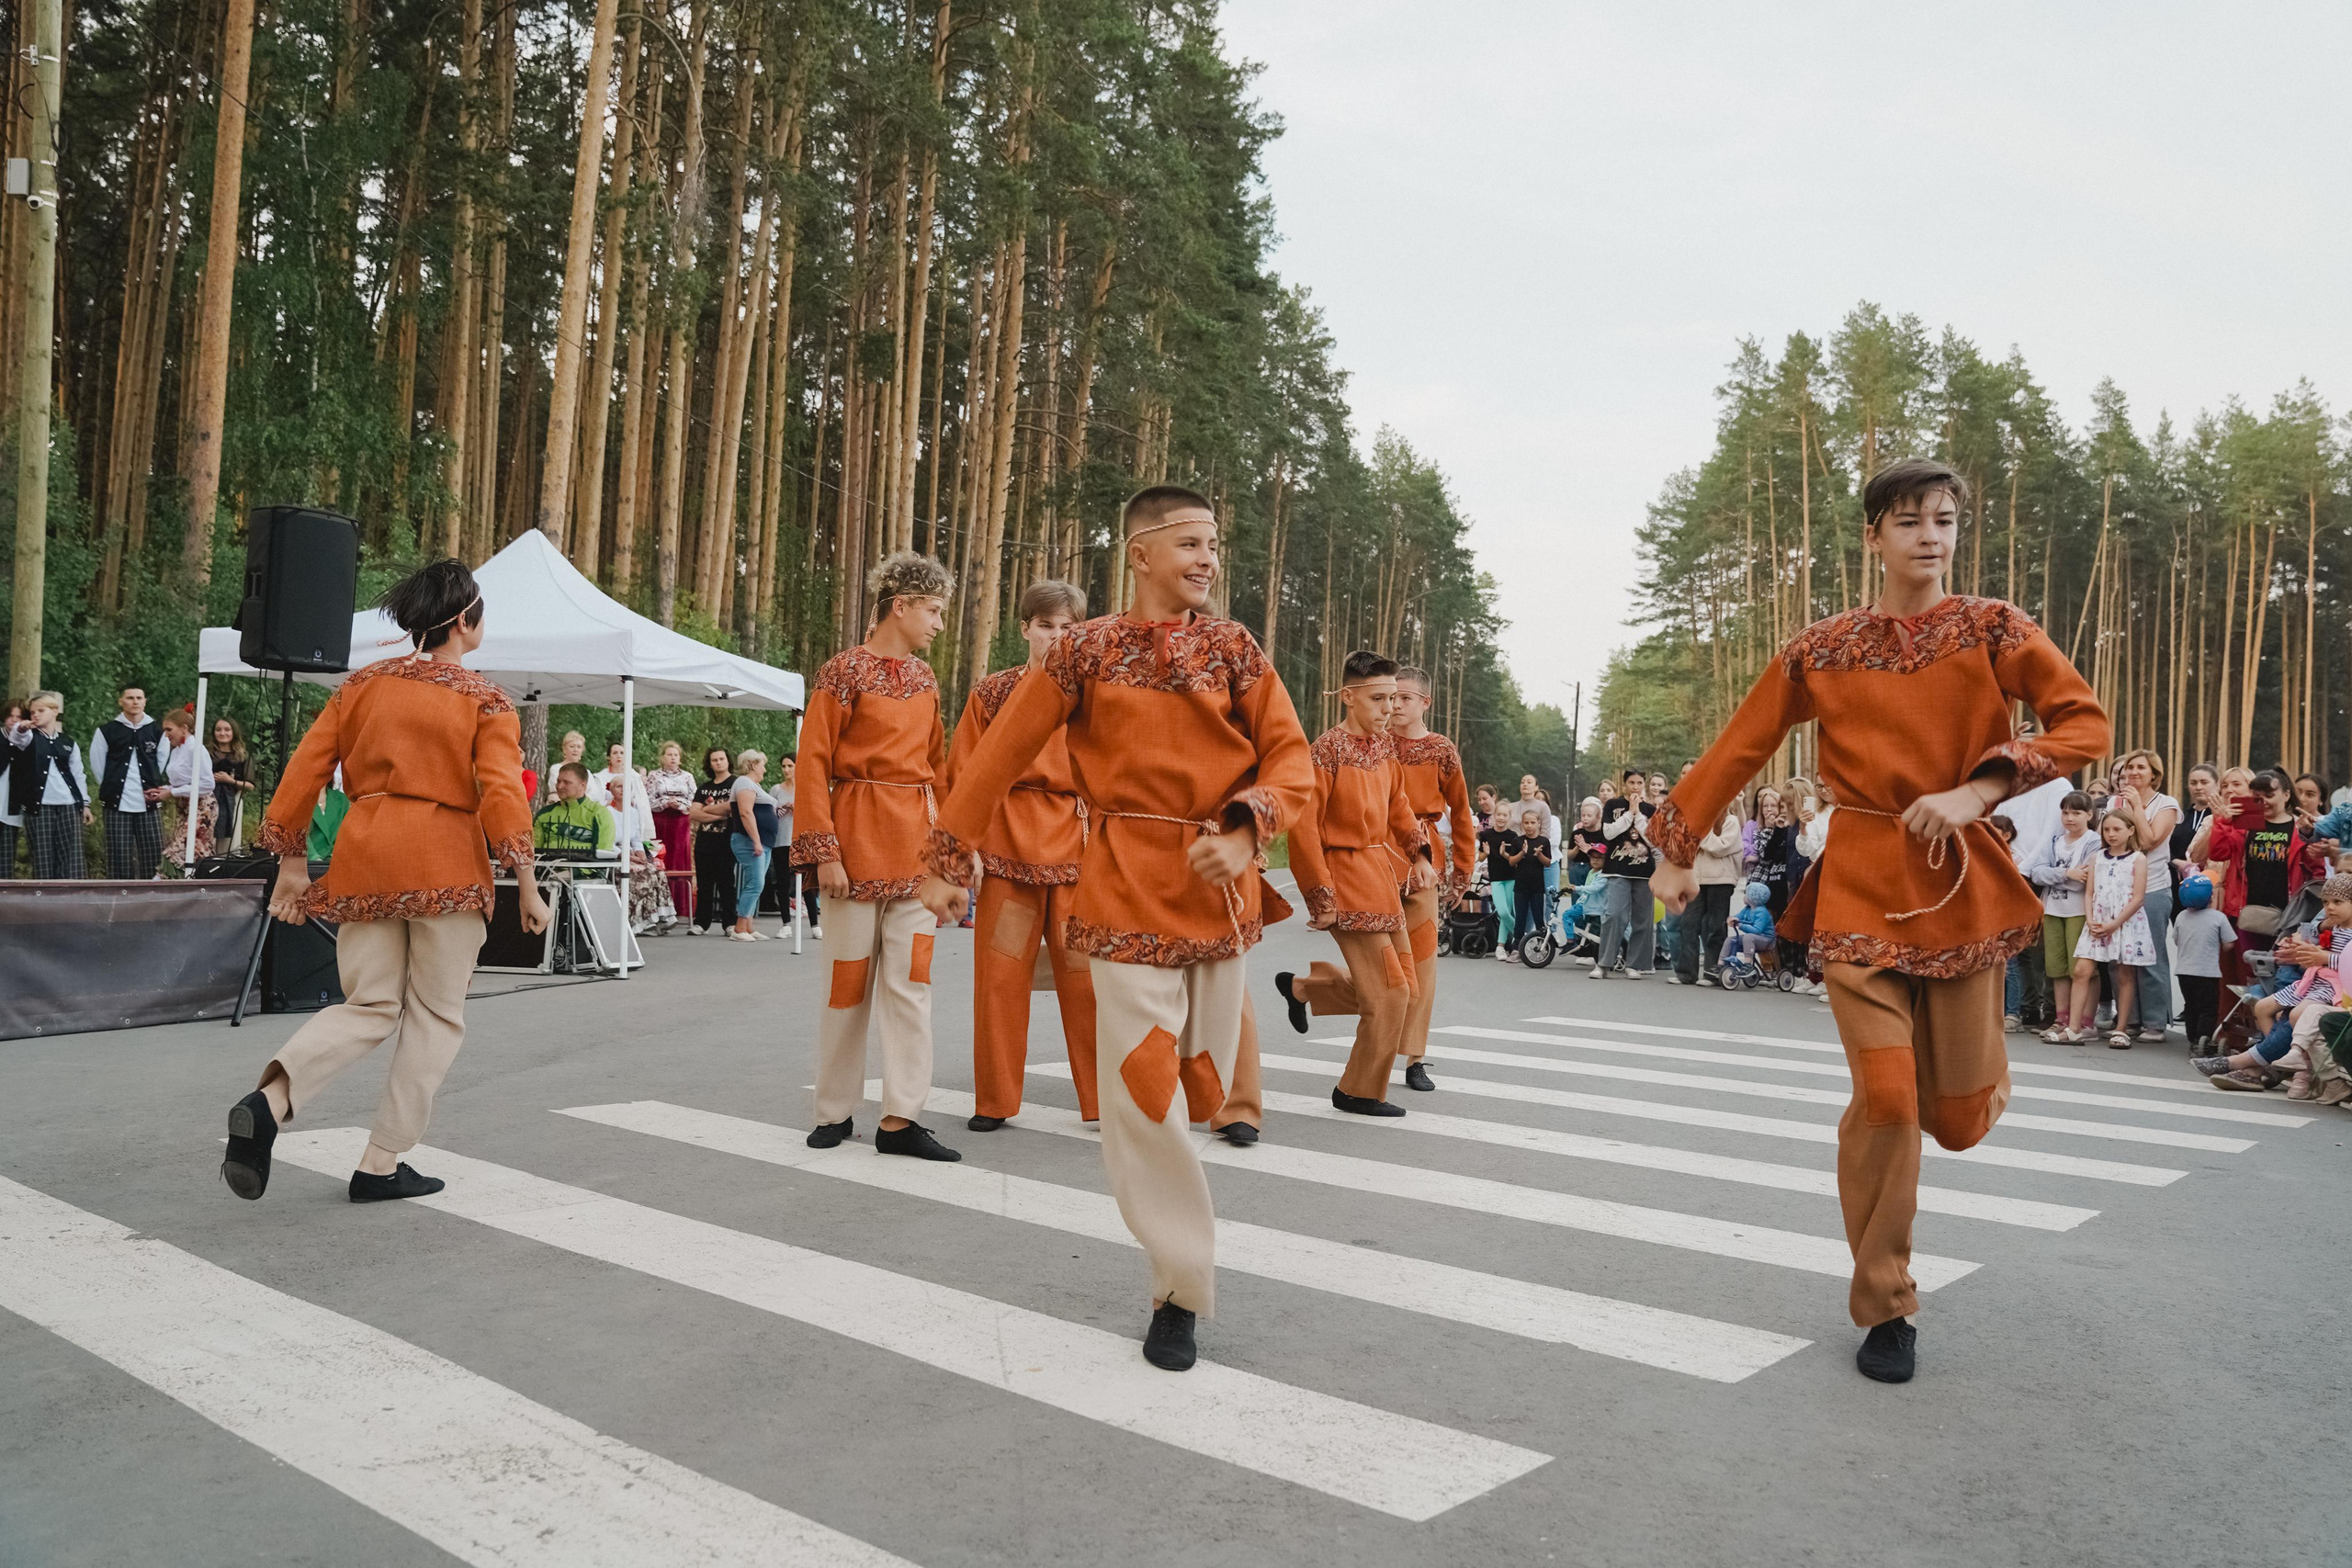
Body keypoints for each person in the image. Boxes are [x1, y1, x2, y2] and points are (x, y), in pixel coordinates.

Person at [1649, 457, 2108, 1384]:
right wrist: (1675, 845)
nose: (1929, 535)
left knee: (1957, 1120)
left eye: (1943, 519)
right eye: (1907, 521)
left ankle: (1971, 1083)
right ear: (1872, 537)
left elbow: (2083, 723)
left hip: (1962, 884)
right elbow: (1741, 743)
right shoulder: (1819, 649)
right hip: (1857, 883)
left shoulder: (1993, 628)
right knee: (1889, 1101)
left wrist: (1981, 788)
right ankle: (1885, 1303)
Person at [916, 483, 1315, 1373]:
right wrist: (949, 859)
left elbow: (1291, 757)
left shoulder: (1234, 648)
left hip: (1217, 895)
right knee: (1143, 1094)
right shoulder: (1085, 651)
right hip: (1123, 887)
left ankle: (1219, 1124)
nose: (1207, 559)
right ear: (1139, 553)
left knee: (1207, 1084)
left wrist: (1248, 825)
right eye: (1188, 543)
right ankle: (1178, 1289)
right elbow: (998, 755)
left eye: (1213, 543)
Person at [219, 557, 548, 1206]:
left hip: (365, 859)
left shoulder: (358, 686)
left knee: (367, 1006)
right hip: (445, 867)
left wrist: (290, 865)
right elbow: (503, 793)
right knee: (433, 1017)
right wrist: (527, 880)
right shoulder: (485, 698)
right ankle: (379, 1162)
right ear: (464, 622)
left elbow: (303, 773)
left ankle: (271, 1098)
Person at [792, 551, 959, 1162]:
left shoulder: (926, 681)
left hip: (916, 853)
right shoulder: (842, 672)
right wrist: (823, 850)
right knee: (846, 984)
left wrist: (948, 859)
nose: (940, 623)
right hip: (855, 845)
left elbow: (938, 772)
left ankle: (900, 1118)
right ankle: (834, 1111)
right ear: (902, 606)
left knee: (912, 983)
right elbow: (812, 762)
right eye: (934, 610)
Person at [948, 579, 1102, 1133]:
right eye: (1046, 626)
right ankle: (994, 1100)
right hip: (1007, 847)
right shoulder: (992, 693)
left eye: (1068, 628)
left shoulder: (1095, 697)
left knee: (1086, 980)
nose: (1057, 638)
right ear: (1025, 629)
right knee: (1001, 978)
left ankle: (1102, 1100)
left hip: (1079, 854)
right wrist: (965, 847)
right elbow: (963, 774)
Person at [1276, 649, 1434, 1117]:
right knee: (1391, 993)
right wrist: (1320, 896)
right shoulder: (1324, 752)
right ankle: (1358, 1091)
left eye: (1394, 698)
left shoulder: (1384, 748)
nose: (1389, 709)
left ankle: (1305, 989)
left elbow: (1399, 806)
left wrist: (1420, 853)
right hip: (1344, 882)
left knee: (1405, 988)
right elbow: (1302, 828)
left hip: (1381, 878)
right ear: (1349, 697)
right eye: (1379, 698)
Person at [1388, 663, 1476, 1089]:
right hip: (1375, 859)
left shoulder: (1442, 750)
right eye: (1392, 696)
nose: (1396, 704)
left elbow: (1462, 815)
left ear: (1425, 702)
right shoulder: (1374, 743)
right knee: (1380, 965)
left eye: (1405, 697)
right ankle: (1310, 990)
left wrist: (1462, 874)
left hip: (1425, 866)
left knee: (1422, 965)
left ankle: (1414, 1059)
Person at [2195, 875, 2352, 1098]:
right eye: (2326, 903)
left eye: (2337, 902)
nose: (2329, 908)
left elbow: (2346, 960)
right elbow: (2309, 934)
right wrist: (2306, 941)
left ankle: (2257, 1063)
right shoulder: (2332, 926)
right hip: (2310, 980)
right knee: (2262, 1007)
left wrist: (2322, 957)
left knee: (2298, 1014)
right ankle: (2274, 1062)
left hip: (2333, 987)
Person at [2066, 809, 2154, 1048]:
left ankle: (2121, 1028)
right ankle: (2074, 1028)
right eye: (2107, 829)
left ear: (2130, 831)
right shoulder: (2097, 858)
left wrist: (2115, 924)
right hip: (2097, 921)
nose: (2111, 834)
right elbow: (2089, 892)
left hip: (2124, 922)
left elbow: (2138, 898)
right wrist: (2091, 919)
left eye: (2117, 829)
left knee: (2124, 974)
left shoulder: (2138, 859)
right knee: (2082, 970)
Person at [2109, 750, 2179, 1042]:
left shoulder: (2167, 804)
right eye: (2129, 767)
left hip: (2152, 888)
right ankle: (2130, 1019)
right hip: (2116, 889)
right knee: (2118, 957)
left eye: (2141, 767)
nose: (2133, 772)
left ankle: (2154, 1021)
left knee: (2149, 956)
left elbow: (2149, 840)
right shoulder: (2115, 802)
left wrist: (2137, 805)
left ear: (2155, 774)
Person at [2023, 791, 2097, 1043]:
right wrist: (2067, 873)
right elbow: (2037, 873)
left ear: (2089, 814)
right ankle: (2061, 1018)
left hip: (2080, 911)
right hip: (2053, 910)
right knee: (2055, 968)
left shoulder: (2093, 842)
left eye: (2076, 813)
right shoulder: (2054, 840)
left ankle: (2085, 1020)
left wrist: (2059, 875)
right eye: (2065, 812)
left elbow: (2084, 880)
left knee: (2081, 969)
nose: (2070, 818)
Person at [6, 691, 91, 877]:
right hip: (39, 806)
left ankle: (72, 901)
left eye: (41, 710)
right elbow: (16, 738)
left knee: (71, 858)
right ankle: (45, 903)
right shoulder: (29, 737)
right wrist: (22, 727)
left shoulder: (68, 742)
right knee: (43, 858)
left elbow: (78, 775)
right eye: (33, 712)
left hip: (68, 805)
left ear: (54, 711)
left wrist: (85, 804)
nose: (36, 715)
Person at [89, 684, 170, 880]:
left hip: (148, 803)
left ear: (145, 701)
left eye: (139, 698)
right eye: (130, 698)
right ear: (121, 701)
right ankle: (119, 901)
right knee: (118, 857)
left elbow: (161, 762)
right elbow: (98, 765)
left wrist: (150, 783)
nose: (135, 702)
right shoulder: (106, 731)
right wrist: (113, 785)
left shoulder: (158, 731)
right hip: (117, 803)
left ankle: (152, 898)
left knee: (153, 855)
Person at [1595, 769, 1655, 977]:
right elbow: (1609, 833)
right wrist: (1629, 812)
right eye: (1631, 782)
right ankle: (1604, 963)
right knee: (1614, 915)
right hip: (1617, 869)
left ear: (1644, 785)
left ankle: (1635, 964)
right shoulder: (1612, 805)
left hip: (1645, 871)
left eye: (1639, 782)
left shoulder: (1651, 809)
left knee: (1642, 919)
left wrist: (1638, 814)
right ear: (1625, 784)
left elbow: (1652, 839)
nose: (1635, 787)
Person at [1680, 801, 1744, 985]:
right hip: (1697, 879)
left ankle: (1713, 973)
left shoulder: (1730, 821)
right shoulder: (1694, 821)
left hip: (1721, 879)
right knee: (1688, 923)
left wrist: (1701, 833)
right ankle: (1686, 973)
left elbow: (1720, 848)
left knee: (1715, 926)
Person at [2171, 874, 2230, 1048]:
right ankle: (2203, 1039)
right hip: (2207, 972)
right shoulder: (2219, 918)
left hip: (2184, 971)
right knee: (2208, 1008)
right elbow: (2229, 945)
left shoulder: (2181, 916)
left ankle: (2192, 1039)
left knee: (2190, 1006)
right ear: (2211, 896)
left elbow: (2176, 939)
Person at [646, 740, 699, 925]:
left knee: (678, 858)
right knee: (661, 858)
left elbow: (695, 801)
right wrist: (664, 803)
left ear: (680, 758)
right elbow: (648, 800)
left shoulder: (687, 777)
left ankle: (680, 905)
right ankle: (660, 905)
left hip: (680, 820)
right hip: (660, 819)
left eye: (676, 755)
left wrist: (680, 805)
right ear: (663, 757)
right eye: (669, 754)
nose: (673, 758)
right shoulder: (654, 775)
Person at [727, 750, 778, 941]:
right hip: (750, 841)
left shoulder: (754, 785)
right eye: (762, 764)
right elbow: (746, 813)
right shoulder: (744, 783)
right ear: (754, 764)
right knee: (755, 883)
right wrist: (756, 840)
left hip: (763, 841)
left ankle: (748, 926)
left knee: (756, 883)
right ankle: (739, 928)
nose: (764, 769)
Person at [158, 706, 215, 870]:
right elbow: (182, 781)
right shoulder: (177, 751)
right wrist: (163, 789)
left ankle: (163, 880)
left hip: (202, 807)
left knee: (181, 848)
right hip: (185, 807)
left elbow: (207, 784)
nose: (166, 734)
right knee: (190, 851)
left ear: (184, 728)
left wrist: (172, 792)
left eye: (169, 730)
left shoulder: (195, 749)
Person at [689, 746, 739, 934]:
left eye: (721, 759)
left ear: (728, 761)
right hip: (704, 843)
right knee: (704, 884)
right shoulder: (705, 787)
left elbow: (732, 807)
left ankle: (729, 923)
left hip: (727, 841)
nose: (718, 762)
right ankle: (702, 923)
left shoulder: (735, 784)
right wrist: (719, 815)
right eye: (714, 760)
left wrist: (707, 810)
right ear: (709, 763)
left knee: (727, 883)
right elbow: (693, 813)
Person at [534, 761, 618, 854]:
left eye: (567, 782)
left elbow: (603, 855)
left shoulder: (600, 814)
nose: (559, 786)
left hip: (583, 868)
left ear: (582, 786)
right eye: (558, 781)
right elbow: (533, 852)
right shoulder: (544, 813)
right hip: (544, 867)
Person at [1508, 802, 1554, 954]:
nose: (1529, 826)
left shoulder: (1543, 841)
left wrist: (1539, 855)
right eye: (1526, 823)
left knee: (1538, 917)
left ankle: (1542, 946)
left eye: (1532, 822)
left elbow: (1548, 863)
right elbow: (1511, 861)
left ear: (1539, 824)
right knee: (1520, 918)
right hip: (1521, 887)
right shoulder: (1518, 841)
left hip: (1537, 887)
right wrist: (1522, 853)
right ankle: (1516, 949)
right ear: (1522, 824)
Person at [1478, 805, 1523, 961]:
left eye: (1505, 815)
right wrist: (1486, 853)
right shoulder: (1486, 835)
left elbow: (1515, 861)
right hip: (1496, 879)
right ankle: (1521, 938)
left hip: (1511, 877)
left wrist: (1504, 854)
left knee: (1508, 913)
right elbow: (1480, 857)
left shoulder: (1513, 836)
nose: (1501, 818)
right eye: (1499, 814)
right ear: (1494, 816)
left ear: (1509, 817)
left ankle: (1501, 947)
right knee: (1502, 912)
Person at [208, 716, 254, 850]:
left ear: (234, 732)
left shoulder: (243, 756)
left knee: (228, 843)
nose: (222, 733)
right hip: (208, 801)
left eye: (227, 729)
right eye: (218, 730)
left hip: (232, 801)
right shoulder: (206, 753)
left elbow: (250, 786)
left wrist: (230, 781)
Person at [1720, 881, 1778, 976]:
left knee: (1748, 937)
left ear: (1753, 897)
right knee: (1730, 940)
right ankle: (1721, 964)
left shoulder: (1762, 912)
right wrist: (1731, 919)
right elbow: (1738, 916)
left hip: (1766, 940)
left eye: (1746, 894)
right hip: (1754, 939)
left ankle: (1748, 965)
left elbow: (1757, 930)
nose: (1744, 896)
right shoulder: (1747, 909)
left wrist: (1741, 925)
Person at [1567, 797, 1605, 887]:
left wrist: (1589, 850)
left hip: (1594, 868)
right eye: (1583, 815)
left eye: (1589, 815)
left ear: (1597, 817)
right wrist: (1577, 847)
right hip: (1577, 867)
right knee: (1576, 896)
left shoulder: (1602, 835)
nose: (1585, 818)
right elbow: (1569, 856)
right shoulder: (1576, 833)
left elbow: (1604, 854)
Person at [543, 730, 588, 807]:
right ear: (564, 749)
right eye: (572, 746)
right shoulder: (556, 769)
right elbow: (556, 790)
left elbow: (594, 794)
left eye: (579, 747)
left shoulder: (586, 772)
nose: (575, 750)